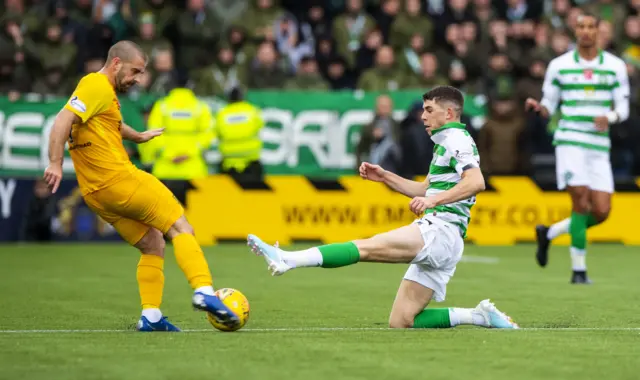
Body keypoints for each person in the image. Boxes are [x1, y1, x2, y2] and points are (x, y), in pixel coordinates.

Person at [247, 86, 519, 330]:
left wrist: (433, 202)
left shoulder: (455, 140)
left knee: (368, 246)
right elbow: (424, 189)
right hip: (445, 236)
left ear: (448, 113)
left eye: (429, 110)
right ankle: (478, 316)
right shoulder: (445, 142)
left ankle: (287, 259)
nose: (422, 116)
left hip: (441, 231)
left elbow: (476, 181)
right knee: (401, 321)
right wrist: (385, 176)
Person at [43, 41, 240, 332]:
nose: (138, 79)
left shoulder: (99, 94)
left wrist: (138, 137)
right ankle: (204, 291)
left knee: (153, 243)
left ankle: (151, 316)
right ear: (116, 63)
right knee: (181, 227)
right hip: (120, 180)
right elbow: (62, 120)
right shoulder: (96, 85)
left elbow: (110, 123)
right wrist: (55, 162)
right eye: (135, 71)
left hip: (97, 195)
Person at [525, 13, 630, 284]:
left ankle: (549, 233)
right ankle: (579, 271)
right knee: (580, 200)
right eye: (581, 26)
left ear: (599, 31)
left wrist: (611, 117)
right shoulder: (559, 65)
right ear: (575, 31)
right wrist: (540, 108)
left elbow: (623, 107)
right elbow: (549, 102)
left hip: (598, 145)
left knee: (602, 211)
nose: (586, 31)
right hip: (570, 140)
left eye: (591, 26)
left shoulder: (615, 66)